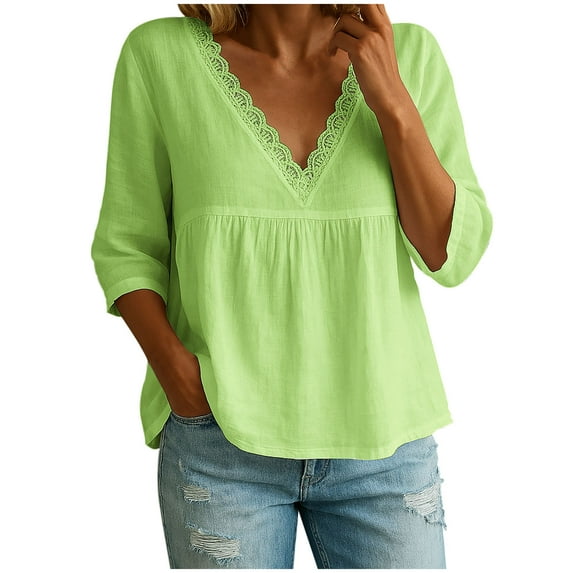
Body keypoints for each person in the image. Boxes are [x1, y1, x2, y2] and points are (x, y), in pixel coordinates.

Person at [90, 3, 493, 568]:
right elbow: (127, 244)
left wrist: (392, 101)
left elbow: (449, 254)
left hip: (386, 444)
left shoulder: (410, 54)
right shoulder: (159, 55)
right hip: (222, 442)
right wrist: (180, 379)